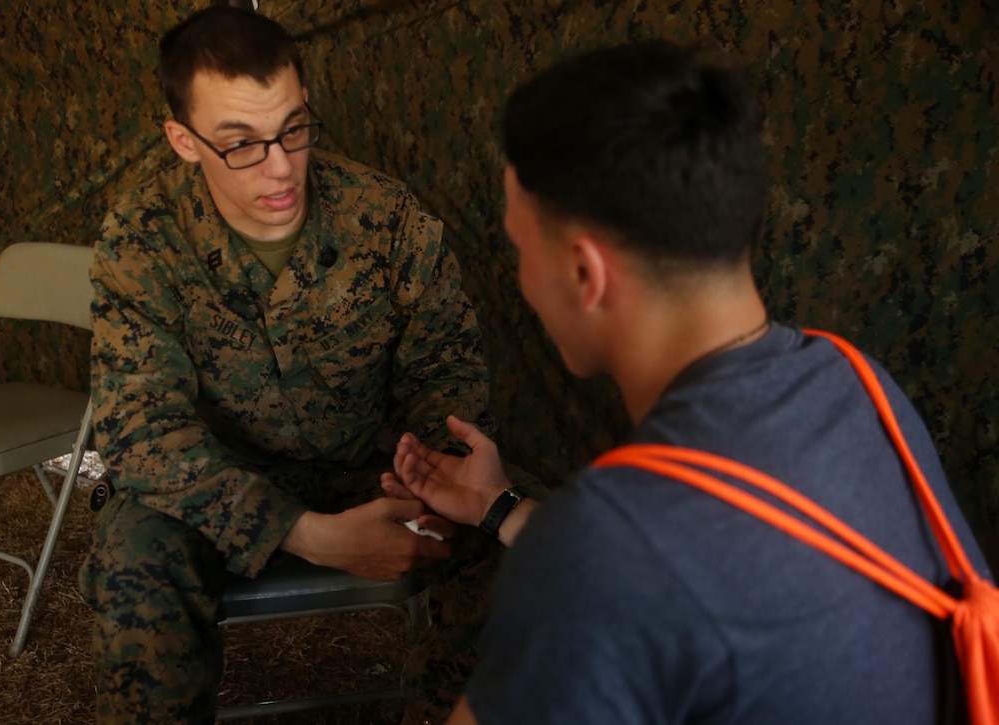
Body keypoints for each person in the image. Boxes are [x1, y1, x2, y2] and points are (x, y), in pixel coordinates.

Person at [381, 39, 993, 724]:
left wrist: (567, 545)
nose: (521, 279)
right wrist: (501, 505)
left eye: (519, 248)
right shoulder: (856, 383)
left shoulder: (603, 548)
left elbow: (645, 567)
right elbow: (716, 574)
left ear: (586, 273)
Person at [79, 6, 538, 723]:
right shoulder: (143, 239)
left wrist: (437, 475)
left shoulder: (385, 216)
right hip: (226, 480)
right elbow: (141, 430)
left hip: (377, 468)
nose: (282, 165)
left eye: (294, 127)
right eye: (242, 144)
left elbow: (446, 373)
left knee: (512, 539)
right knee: (136, 550)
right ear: (183, 141)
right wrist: (306, 532)